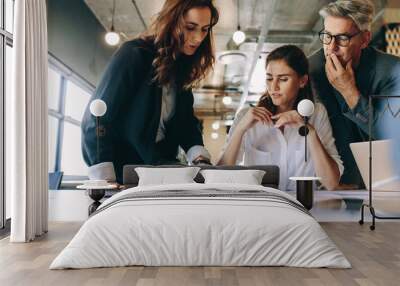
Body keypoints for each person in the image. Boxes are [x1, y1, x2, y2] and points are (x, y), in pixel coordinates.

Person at [81, 0, 219, 183]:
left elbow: (185, 122)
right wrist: (105, 181)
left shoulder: (181, 68)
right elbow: (97, 120)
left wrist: (199, 156)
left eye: (204, 29)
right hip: (124, 173)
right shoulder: (133, 54)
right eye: (190, 27)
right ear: (171, 21)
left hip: (160, 168)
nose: (198, 38)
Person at [218, 45, 343, 191]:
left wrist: (309, 131)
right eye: (269, 78)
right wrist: (240, 130)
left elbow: (331, 183)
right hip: (261, 206)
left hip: (304, 209)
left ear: (302, 81)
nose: (274, 87)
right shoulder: (246, 117)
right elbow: (220, 176)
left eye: (283, 79)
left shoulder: (317, 114)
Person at [308, 0, 400, 188]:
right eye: (327, 36)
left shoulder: (392, 71)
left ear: (365, 39)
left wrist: (349, 91)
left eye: (342, 38)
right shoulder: (309, 70)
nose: (331, 47)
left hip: (382, 183)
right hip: (326, 183)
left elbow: (390, 135)